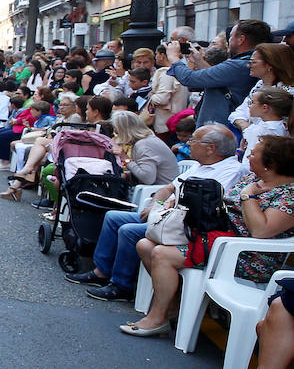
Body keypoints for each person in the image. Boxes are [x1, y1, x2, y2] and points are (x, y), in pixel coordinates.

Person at [127, 134, 294, 337]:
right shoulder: (253, 178)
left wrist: (248, 196)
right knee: (145, 245)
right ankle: (172, 306)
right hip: (215, 240)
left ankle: (157, 317)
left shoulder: (288, 195)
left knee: (162, 254)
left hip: (244, 256)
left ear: (271, 163)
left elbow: (261, 231)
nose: (248, 156)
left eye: (253, 153)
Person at [66, 123, 246, 301]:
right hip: (169, 216)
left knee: (128, 231)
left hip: (188, 226)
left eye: (193, 140)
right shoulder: (202, 165)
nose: (188, 144)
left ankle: (122, 285)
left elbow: (206, 205)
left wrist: (170, 204)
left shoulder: (231, 171)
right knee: (114, 217)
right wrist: (155, 204)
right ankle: (102, 271)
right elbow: (168, 188)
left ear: (210, 148)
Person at [167, 20, 271, 128]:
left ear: (241, 40)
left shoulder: (238, 65)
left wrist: (174, 58)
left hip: (218, 128)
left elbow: (190, 79)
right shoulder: (243, 63)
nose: (228, 41)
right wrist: (199, 61)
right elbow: (215, 79)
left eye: (231, 37)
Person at [230, 41, 294, 133]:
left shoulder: (288, 92)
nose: (248, 66)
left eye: (253, 62)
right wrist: (244, 125)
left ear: (269, 65)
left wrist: (252, 129)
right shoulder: (260, 85)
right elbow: (239, 112)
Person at [110, 110, 179, 187]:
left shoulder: (144, 145)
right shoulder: (146, 141)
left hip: (159, 191)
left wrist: (125, 158)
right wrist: (127, 175)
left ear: (124, 131)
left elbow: (148, 179)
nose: (115, 133)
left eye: (116, 130)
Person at [241, 87, 292, 158]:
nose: (249, 106)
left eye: (252, 102)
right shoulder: (276, 125)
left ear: (265, 108)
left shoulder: (268, 130)